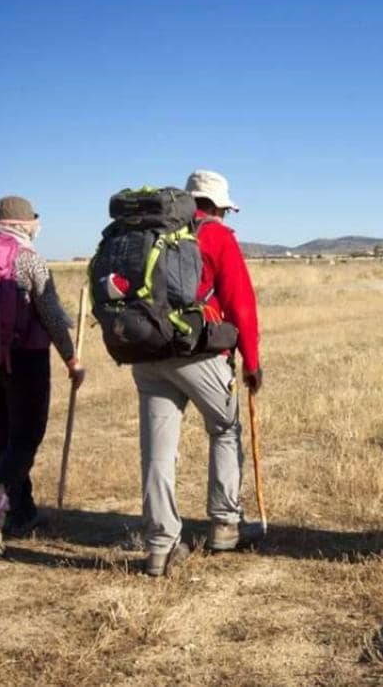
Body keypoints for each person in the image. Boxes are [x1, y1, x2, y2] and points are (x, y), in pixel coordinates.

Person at [133, 169, 262, 576]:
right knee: (224, 428)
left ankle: (160, 546)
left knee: (157, 451)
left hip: (147, 351)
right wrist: (252, 362)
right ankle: (225, 524)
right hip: (199, 351)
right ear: (218, 207)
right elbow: (240, 304)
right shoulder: (218, 236)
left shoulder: (149, 232)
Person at [0, 196, 86, 556]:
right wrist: (72, 360)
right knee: (26, 435)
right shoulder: (28, 257)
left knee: (1, 436)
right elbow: (49, 313)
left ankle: (22, 511)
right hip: (24, 357)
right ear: (24, 224)